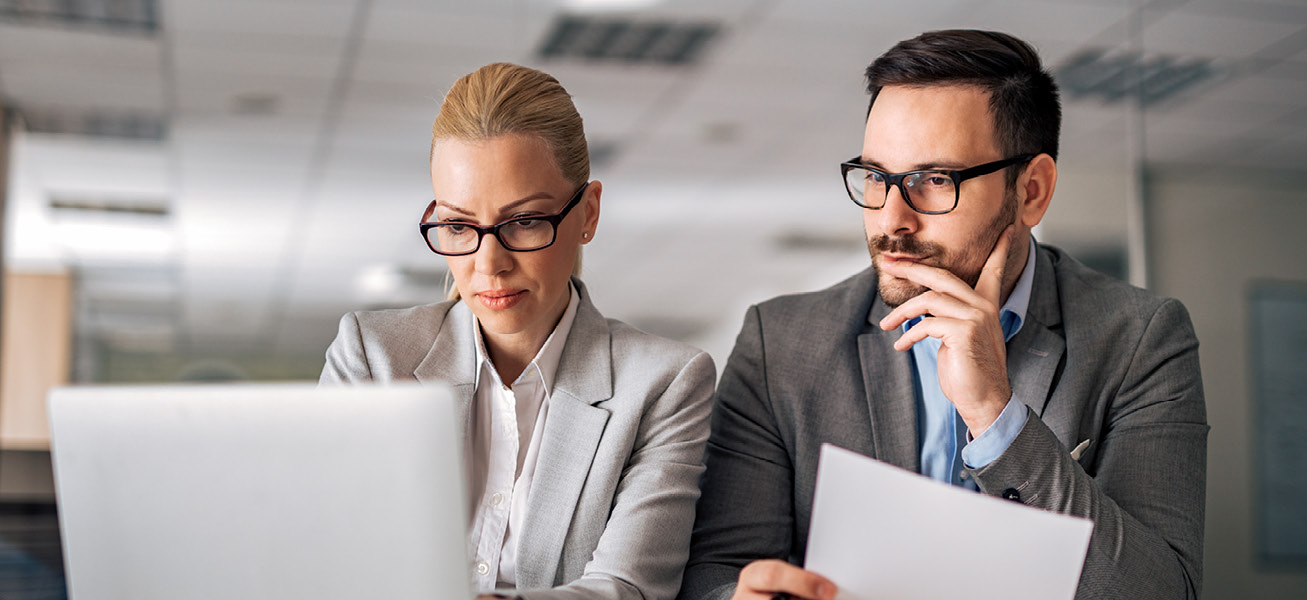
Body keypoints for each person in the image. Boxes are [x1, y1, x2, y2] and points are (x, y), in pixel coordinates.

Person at [680, 30, 1207, 600]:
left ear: (1031, 190)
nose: (892, 218)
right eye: (877, 177)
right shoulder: (780, 344)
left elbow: (1162, 592)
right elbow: (715, 571)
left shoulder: (1140, 340)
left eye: (934, 180)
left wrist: (996, 416)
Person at [320, 62, 715, 600]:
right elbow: (328, 554)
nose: (489, 264)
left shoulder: (662, 384)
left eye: (524, 221)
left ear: (588, 213)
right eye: (459, 225)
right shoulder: (373, 358)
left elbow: (628, 588)